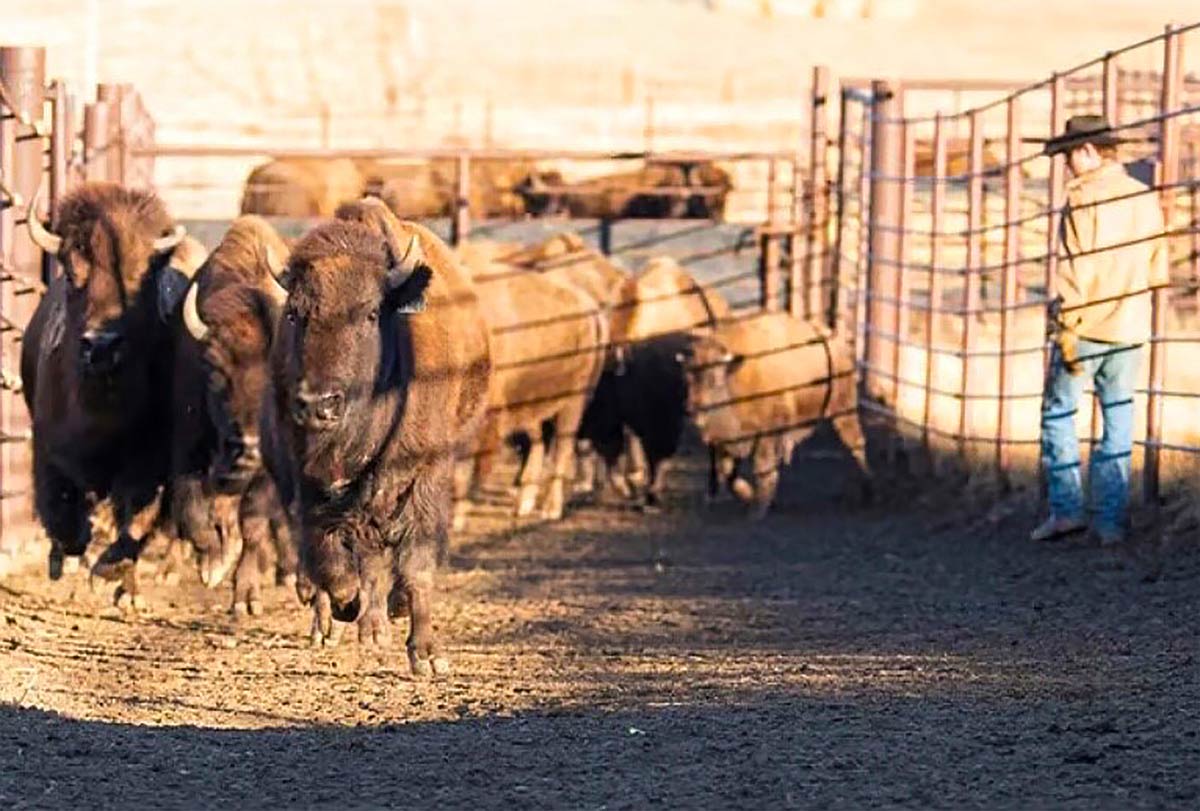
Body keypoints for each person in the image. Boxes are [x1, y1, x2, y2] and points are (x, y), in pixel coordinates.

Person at [1031, 115, 1169, 546]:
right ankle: (1111, 521)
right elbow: (1158, 264)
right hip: (1129, 325)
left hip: (1084, 323)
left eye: (1068, 156)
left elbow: (1075, 268)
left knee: (1059, 414)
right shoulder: (1144, 198)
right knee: (1119, 419)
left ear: (1088, 151)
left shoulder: (1082, 199)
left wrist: (1064, 323)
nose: (1066, 166)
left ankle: (1067, 509)